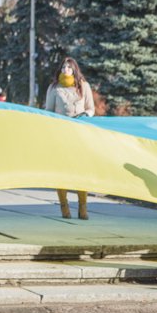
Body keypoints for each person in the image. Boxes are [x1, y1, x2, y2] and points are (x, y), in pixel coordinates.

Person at [45, 57, 95, 220]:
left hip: (80, 134)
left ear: (74, 70)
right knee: (62, 170)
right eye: (63, 67)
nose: (66, 70)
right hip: (61, 135)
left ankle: (83, 206)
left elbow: (91, 108)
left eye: (69, 67)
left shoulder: (83, 86)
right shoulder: (54, 88)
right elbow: (48, 111)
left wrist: (85, 115)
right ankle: (64, 206)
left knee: (81, 170)